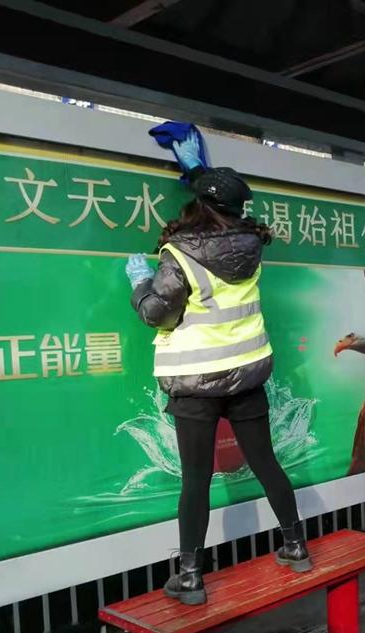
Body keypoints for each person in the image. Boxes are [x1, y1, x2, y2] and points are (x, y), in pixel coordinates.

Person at [124, 133, 309, 606]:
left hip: (196, 383)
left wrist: (139, 282)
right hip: (246, 375)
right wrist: (198, 172)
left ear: (200, 205)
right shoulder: (251, 243)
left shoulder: (179, 253)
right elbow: (222, 209)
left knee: (195, 479)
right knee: (266, 462)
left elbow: (157, 313)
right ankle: (295, 546)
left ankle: (190, 578)